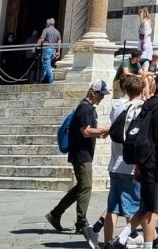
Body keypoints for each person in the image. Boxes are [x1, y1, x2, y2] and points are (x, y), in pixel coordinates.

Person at [48, 79, 106, 238]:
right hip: (81, 154)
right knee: (86, 187)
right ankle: (81, 221)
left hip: (84, 152)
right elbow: (86, 132)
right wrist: (103, 130)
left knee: (80, 187)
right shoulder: (84, 108)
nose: (103, 98)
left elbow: (87, 132)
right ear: (93, 93)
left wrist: (99, 133)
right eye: (101, 95)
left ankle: (56, 213)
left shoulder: (88, 109)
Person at [94, 73, 146, 249]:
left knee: (113, 207)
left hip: (115, 163)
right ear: (142, 89)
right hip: (131, 165)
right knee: (139, 208)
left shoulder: (116, 106)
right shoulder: (141, 108)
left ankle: (108, 242)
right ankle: (145, 241)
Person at [128, 68, 158, 249]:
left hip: (144, 160)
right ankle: (148, 245)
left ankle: (122, 239)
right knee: (154, 210)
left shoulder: (148, 103)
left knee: (147, 207)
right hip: (156, 164)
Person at [36, 17, 62, 85]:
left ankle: (51, 80)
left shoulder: (46, 30)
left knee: (47, 66)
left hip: (47, 49)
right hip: (53, 50)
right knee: (47, 65)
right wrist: (58, 51)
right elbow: (59, 41)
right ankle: (44, 79)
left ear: (48, 23)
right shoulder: (57, 32)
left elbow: (41, 39)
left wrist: (35, 46)